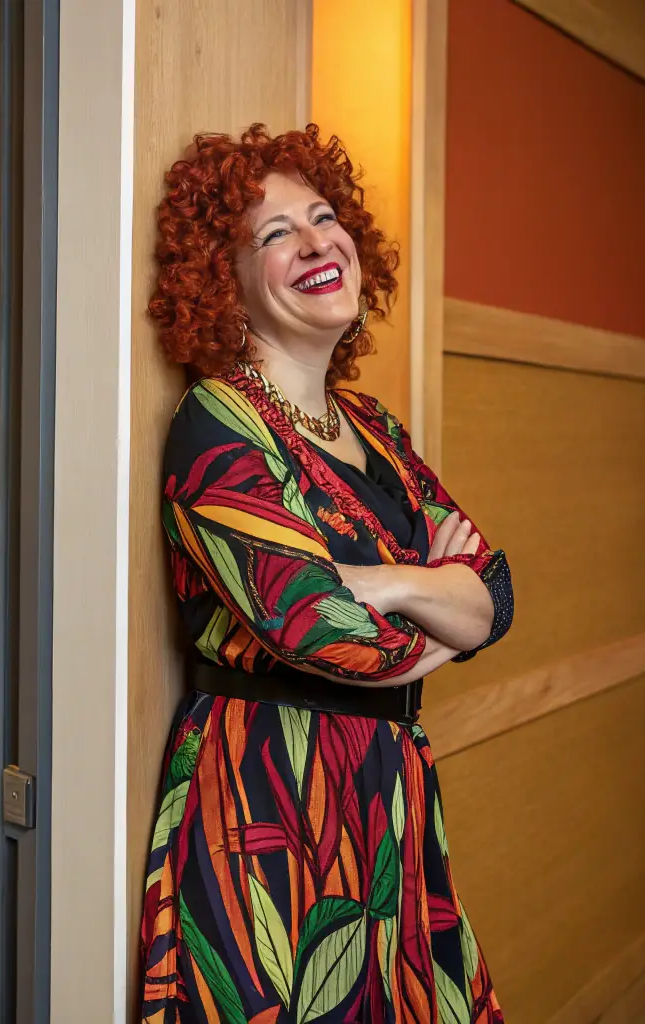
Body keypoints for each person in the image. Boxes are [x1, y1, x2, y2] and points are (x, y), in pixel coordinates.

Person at [139, 124, 512, 1024]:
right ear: (219, 284)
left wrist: (380, 584)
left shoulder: (374, 424)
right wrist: (430, 590)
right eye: (274, 235)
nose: (316, 243)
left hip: (388, 784)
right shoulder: (215, 424)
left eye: (322, 217)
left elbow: (494, 591)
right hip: (272, 792)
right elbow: (320, 631)